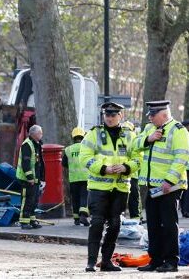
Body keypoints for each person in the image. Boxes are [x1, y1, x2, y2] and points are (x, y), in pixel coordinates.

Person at [79, 102, 139, 272]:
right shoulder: (94, 134)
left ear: (120, 116)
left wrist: (127, 167)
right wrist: (103, 168)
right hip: (99, 187)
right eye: (107, 115)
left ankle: (106, 261)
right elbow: (84, 157)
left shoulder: (129, 135)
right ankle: (91, 262)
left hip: (120, 187)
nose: (110, 118)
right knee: (97, 222)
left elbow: (137, 157)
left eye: (113, 115)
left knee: (115, 224)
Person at [135, 100, 189, 273]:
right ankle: (156, 260)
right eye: (149, 114)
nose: (150, 118)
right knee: (153, 224)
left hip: (170, 187)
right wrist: (148, 139)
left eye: (153, 115)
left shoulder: (178, 130)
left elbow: (181, 158)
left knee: (168, 224)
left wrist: (170, 180)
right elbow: (133, 146)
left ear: (164, 114)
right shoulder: (150, 129)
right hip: (152, 186)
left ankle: (171, 261)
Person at [15, 125, 45, 230]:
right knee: (27, 200)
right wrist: (30, 177)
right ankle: (24, 221)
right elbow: (26, 162)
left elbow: (39, 163)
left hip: (35, 179)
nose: (41, 135)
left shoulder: (37, 144)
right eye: (40, 133)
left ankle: (32, 220)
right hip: (27, 179)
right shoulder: (27, 145)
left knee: (34, 200)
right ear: (33, 134)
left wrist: (41, 178)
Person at [62, 127, 89, 226]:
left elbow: (64, 163)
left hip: (73, 178)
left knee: (75, 198)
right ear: (83, 136)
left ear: (73, 137)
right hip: (86, 177)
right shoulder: (87, 148)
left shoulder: (68, 149)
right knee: (84, 197)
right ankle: (83, 215)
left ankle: (76, 219)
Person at [122, 121, 142, 221]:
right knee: (134, 198)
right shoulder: (134, 136)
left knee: (120, 198)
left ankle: (119, 219)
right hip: (132, 173)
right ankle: (136, 219)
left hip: (118, 174)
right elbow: (139, 155)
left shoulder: (117, 135)